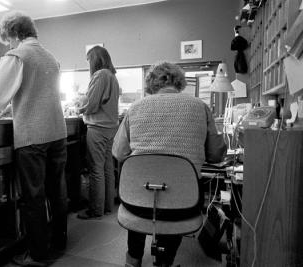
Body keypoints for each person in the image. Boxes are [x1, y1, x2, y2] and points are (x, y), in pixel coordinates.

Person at [112, 62, 226, 267]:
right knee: (176, 196)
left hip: (137, 205)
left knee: (140, 193)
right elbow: (216, 155)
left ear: (150, 84)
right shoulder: (200, 106)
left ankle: (133, 260)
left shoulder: (135, 108)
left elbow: (119, 153)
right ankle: (165, 262)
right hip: (184, 206)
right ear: (180, 82)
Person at [0, 11, 68, 266]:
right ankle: (59, 241)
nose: (8, 45)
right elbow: (35, 91)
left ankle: (39, 254)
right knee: (57, 191)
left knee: (33, 197)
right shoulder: (51, 57)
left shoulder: (18, 55)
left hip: (33, 134)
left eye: (8, 39)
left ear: (15, 34)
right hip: (57, 132)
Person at [77, 46, 120, 219]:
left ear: (94, 59)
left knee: (96, 169)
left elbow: (92, 104)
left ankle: (95, 210)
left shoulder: (100, 75)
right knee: (107, 168)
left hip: (98, 127)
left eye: (89, 60)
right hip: (110, 128)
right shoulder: (112, 76)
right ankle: (108, 206)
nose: (88, 64)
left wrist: (79, 107)